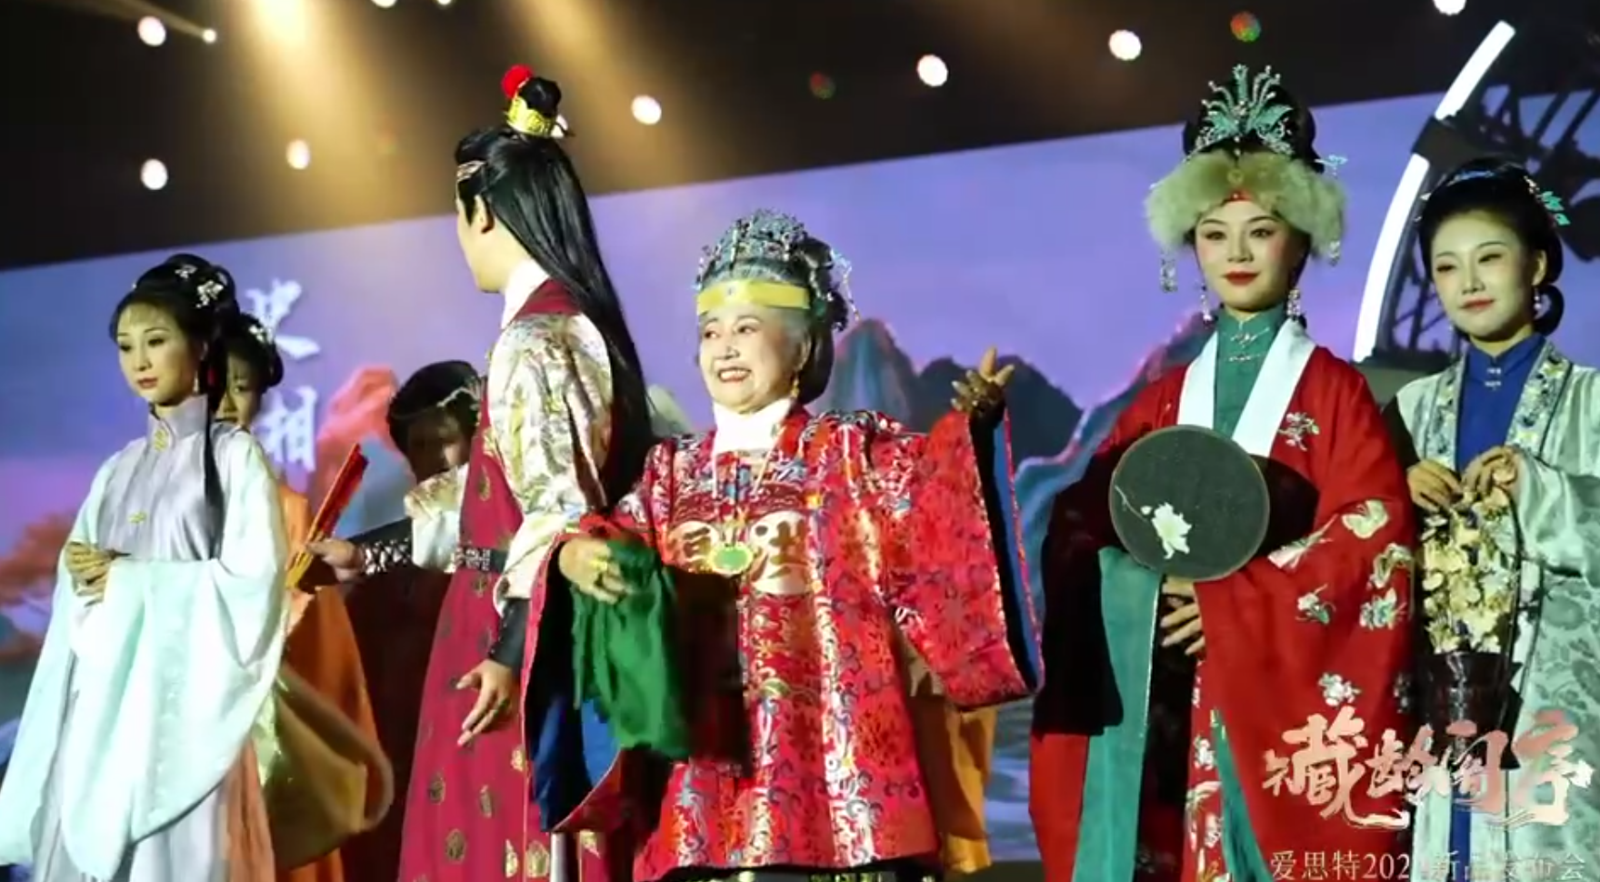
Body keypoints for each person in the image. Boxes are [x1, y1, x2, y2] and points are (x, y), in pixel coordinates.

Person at [540, 209, 1039, 882]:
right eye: (711, 332)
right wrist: (576, 551)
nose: (725, 348)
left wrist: (971, 434)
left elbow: (936, 508)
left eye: (747, 329)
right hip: (701, 773)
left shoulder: (851, 452)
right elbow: (617, 540)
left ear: (802, 348)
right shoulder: (669, 471)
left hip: (834, 769)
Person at [1028, 65, 1416, 882]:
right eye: (1213, 232)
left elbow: (1373, 542)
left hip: (1268, 705)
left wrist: (1233, 603)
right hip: (1164, 703)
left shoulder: (1335, 394)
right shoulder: (1160, 402)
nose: (1235, 252)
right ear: (1189, 246)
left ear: (1301, 240)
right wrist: (1144, 592)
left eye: (1261, 229)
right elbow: (1085, 529)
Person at [308, 64, 657, 882]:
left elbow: (555, 514)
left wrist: (506, 650)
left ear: (485, 213)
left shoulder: (534, 342)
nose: (460, 238)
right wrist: (367, 552)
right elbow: (484, 499)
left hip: (512, 637)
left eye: (459, 218)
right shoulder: (559, 329)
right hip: (507, 621)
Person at [0, 255, 285, 879]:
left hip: (184, 720)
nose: (140, 361)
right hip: (103, 709)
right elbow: (80, 590)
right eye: (126, 347)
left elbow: (254, 588)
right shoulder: (117, 469)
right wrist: (87, 578)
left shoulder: (233, 459)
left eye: (156, 341)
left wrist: (130, 579)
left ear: (200, 345)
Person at [1388, 158, 1598, 880]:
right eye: (1447, 267)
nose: (1469, 282)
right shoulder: (1409, 411)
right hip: (1437, 718)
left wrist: (1539, 489)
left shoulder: (1593, 402)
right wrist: (1393, 496)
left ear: (1537, 265)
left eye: (1489, 258)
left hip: (1557, 715)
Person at [215, 311, 388, 882]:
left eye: (242, 387)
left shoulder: (287, 510)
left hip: (261, 732)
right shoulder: (151, 497)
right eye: (212, 384)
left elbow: (323, 651)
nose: (225, 403)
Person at [337, 360, 479, 882]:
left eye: (445, 441)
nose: (433, 460)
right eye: (418, 446)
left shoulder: (509, 543)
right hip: (403, 758)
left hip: (482, 749)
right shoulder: (381, 581)